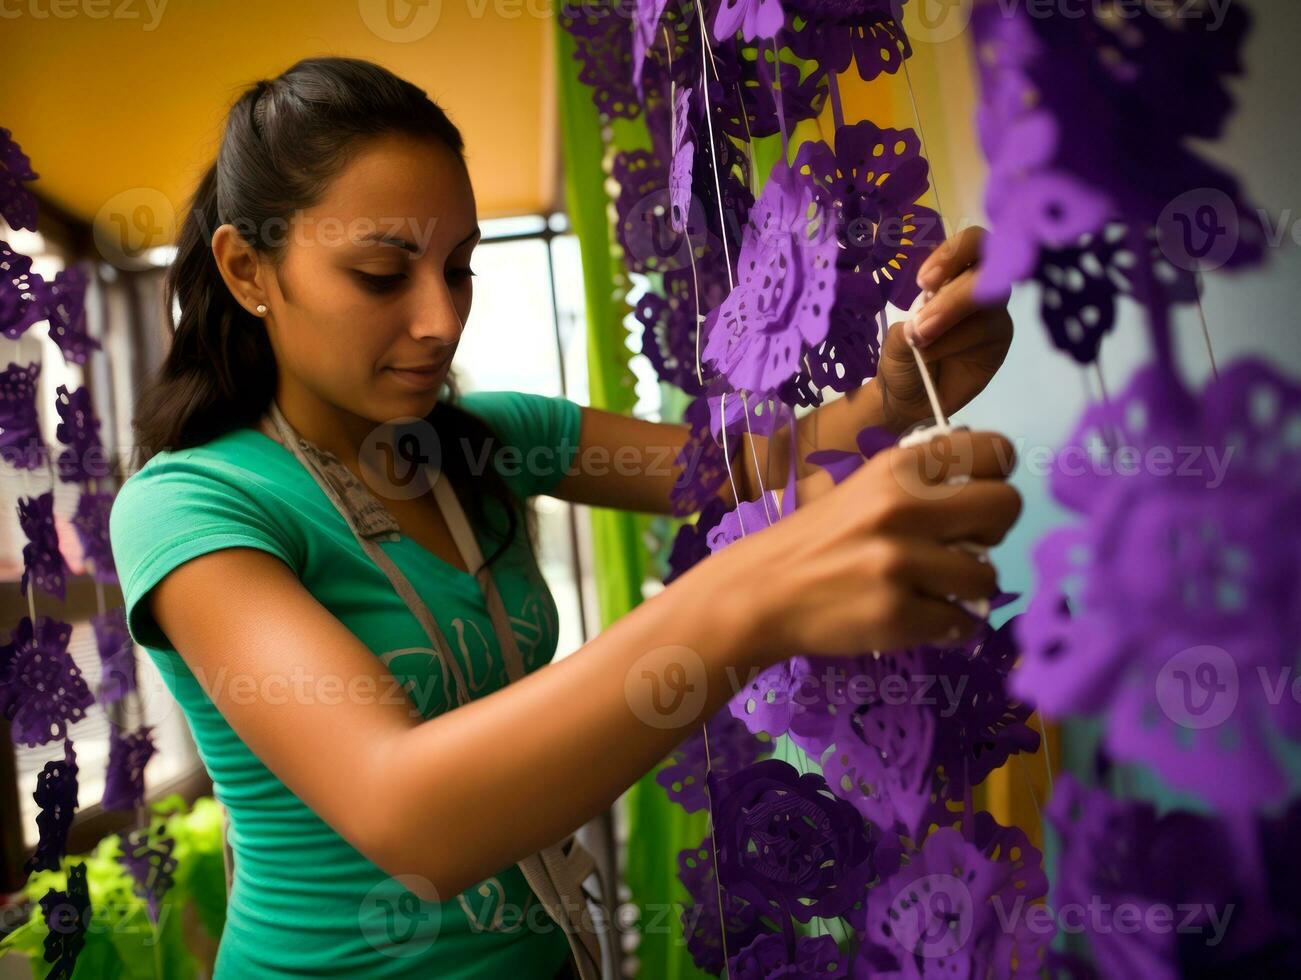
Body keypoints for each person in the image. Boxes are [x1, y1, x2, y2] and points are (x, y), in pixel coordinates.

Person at [108, 55, 1019, 979]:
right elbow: (409, 815)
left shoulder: (485, 440)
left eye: (457, 269)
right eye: (382, 274)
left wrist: (898, 397)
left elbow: (760, 471)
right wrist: (753, 598)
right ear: (246, 269)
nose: (438, 320)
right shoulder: (190, 506)